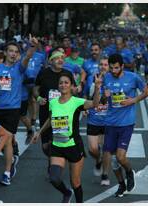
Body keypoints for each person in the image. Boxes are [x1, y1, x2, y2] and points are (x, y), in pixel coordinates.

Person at [31, 72, 102, 203]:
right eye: (61, 83)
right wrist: (39, 132)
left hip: (74, 146)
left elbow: (95, 104)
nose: (63, 85)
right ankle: (66, 192)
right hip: (57, 146)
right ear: (58, 86)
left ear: (71, 86)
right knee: (54, 178)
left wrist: (97, 88)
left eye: (66, 83)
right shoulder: (53, 102)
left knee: (75, 182)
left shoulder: (77, 102)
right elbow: (51, 119)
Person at [0, 36, 39, 186]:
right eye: (11, 51)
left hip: (12, 110)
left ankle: (7, 173)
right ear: (5, 53)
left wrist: (32, 47)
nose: (13, 54)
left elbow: (27, 57)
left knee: (7, 140)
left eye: (16, 52)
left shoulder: (19, 69)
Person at [102, 53, 148, 197]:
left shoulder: (133, 77)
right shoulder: (106, 77)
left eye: (116, 68)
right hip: (110, 122)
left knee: (121, 157)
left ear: (122, 66)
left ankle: (129, 172)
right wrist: (105, 95)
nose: (113, 71)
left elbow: (147, 92)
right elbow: (103, 101)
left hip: (126, 123)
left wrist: (133, 100)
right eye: (111, 68)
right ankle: (121, 184)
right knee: (113, 159)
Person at [33, 49, 74, 174]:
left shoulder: (67, 73)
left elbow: (74, 90)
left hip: (62, 114)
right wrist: (38, 98)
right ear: (51, 61)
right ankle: (53, 161)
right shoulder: (43, 73)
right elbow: (35, 89)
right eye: (57, 58)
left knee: (57, 142)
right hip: (46, 112)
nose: (60, 60)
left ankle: (55, 166)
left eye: (62, 57)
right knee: (46, 146)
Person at [83, 57, 111, 185]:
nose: (103, 66)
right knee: (92, 149)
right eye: (101, 64)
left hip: (108, 120)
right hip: (93, 118)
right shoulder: (91, 78)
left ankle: (105, 175)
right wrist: (84, 108)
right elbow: (85, 95)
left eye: (106, 64)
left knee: (106, 149)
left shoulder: (113, 80)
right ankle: (98, 159)